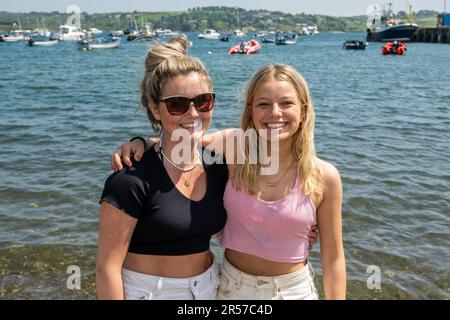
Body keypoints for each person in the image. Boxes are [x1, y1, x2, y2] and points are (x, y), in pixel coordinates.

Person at [112, 64, 346, 299]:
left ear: (303, 111)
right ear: (251, 111)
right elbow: (181, 139)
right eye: (263, 104)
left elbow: (333, 258)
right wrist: (140, 142)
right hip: (231, 288)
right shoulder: (234, 148)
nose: (275, 113)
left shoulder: (324, 176)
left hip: (294, 290)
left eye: (286, 103)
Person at [96, 36, 228, 300]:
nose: (193, 114)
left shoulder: (218, 165)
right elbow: (106, 267)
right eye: (177, 104)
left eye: (202, 101)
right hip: (150, 293)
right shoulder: (131, 178)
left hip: (210, 288)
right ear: (155, 109)